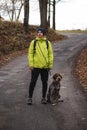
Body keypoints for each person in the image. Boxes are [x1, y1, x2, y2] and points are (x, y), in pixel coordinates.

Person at [27, 28, 54, 105]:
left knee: (44, 83)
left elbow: (50, 54)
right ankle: (30, 98)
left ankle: (43, 98)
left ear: (43, 34)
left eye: (41, 32)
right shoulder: (34, 42)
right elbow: (30, 54)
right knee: (33, 82)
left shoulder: (47, 43)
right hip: (35, 66)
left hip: (45, 67)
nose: (39, 34)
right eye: (38, 32)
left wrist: (50, 65)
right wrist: (31, 64)